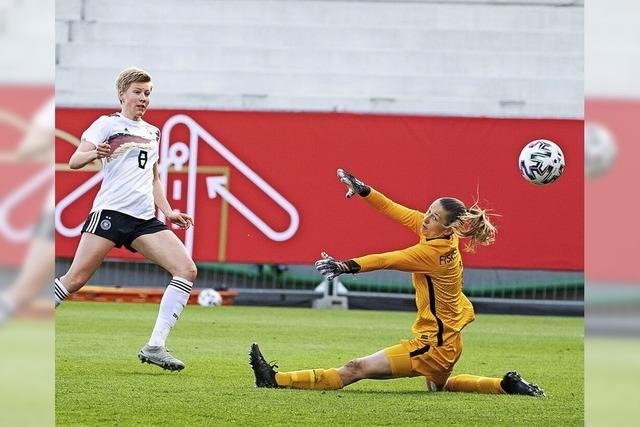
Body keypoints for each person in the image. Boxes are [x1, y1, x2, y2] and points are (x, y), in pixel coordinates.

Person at [249, 169, 545, 396]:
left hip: (432, 346)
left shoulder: (432, 252)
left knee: (355, 368)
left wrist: (344, 266)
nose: (425, 219)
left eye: (433, 217)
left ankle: (274, 380)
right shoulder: (441, 234)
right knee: (438, 388)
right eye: (428, 212)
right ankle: (505, 385)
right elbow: (394, 209)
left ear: (447, 226)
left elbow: (386, 259)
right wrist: (366, 191)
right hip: (449, 342)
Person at [54, 68, 197, 371]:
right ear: (122, 94)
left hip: (143, 219)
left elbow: (154, 177)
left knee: (186, 269)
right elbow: (74, 160)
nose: (143, 98)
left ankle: (155, 346)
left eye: (147, 93)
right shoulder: (107, 124)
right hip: (111, 213)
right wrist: (95, 152)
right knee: (75, 280)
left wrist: (168, 211)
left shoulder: (153, 132)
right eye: (137, 92)